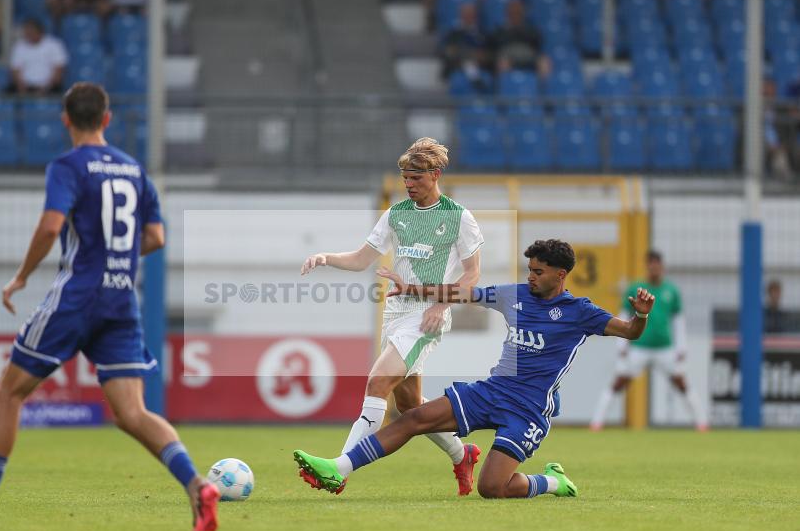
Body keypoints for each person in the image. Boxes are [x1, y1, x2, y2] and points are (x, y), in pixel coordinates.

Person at [0, 83, 220, 531]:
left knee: (10, 392)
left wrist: (23, 275)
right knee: (132, 413)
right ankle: (197, 484)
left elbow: (50, 226)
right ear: (107, 119)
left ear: (66, 120)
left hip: (77, 297)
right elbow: (157, 237)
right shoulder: (134, 170)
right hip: (121, 299)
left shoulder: (67, 166)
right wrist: (115, 258)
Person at [294, 240, 655, 498]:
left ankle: (552, 482)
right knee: (412, 418)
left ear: (560, 275)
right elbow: (464, 293)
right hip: (493, 391)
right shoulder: (516, 294)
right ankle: (338, 468)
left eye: (538, 272)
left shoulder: (581, 312)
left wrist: (640, 313)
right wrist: (414, 289)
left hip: (528, 410)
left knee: (492, 488)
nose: (530, 277)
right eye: (529, 269)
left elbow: (630, 332)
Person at [300, 137, 484, 496]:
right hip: (396, 314)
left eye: (415, 178)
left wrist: (441, 306)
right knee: (411, 406)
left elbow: (473, 274)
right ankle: (463, 455)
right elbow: (360, 258)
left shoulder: (458, 217)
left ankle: (340, 468)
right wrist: (326, 257)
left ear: (435, 174)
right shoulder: (396, 214)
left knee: (377, 382)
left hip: (426, 317)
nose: (409, 185)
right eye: (405, 179)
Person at [590, 250, 707, 431]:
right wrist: (622, 345)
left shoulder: (671, 291)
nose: (654, 268)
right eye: (651, 265)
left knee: (681, 383)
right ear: (647, 266)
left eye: (657, 265)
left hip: (664, 348)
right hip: (639, 347)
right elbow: (624, 315)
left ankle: (701, 423)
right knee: (619, 382)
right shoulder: (636, 289)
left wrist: (681, 347)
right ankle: (597, 423)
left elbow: (678, 321)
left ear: (662, 267)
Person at [488, 0, 550, 77]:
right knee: (502, 63)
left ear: (522, 14)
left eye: (518, 13)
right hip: (507, 56)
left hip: (528, 55)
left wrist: (521, 30)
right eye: (512, 13)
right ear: (507, 14)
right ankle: (507, 86)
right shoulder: (500, 31)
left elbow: (537, 42)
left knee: (544, 62)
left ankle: (543, 88)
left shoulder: (530, 29)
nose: (515, 15)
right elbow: (495, 46)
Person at [9, 17, 69, 94]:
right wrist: (22, 89)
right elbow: (15, 70)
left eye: (31, 32)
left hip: (50, 88)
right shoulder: (19, 46)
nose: (28, 34)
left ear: (40, 31)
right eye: (26, 32)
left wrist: (45, 89)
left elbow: (59, 70)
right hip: (25, 88)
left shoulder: (54, 45)